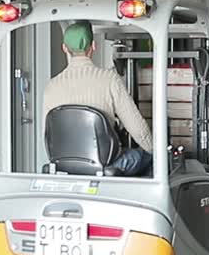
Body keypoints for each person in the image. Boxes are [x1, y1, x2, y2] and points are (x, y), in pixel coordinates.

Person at [42, 21, 154, 176]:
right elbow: (138, 130)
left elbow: (48, 135)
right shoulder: (109, 79)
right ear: (93, 46)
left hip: (64, 167)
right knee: (147, 157)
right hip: (107, 166)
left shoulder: (51, 87)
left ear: (64, 48)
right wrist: (155, 150)